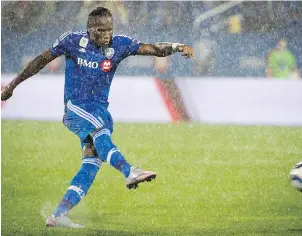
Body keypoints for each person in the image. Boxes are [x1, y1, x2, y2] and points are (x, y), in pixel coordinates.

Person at [1, 7, 194, 228]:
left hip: (100, 109)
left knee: (91, 163)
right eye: (100, 30)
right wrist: (12, 85)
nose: (106, 35)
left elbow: (152, 48)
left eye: (109, 30)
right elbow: (39, 61)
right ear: (89, 29)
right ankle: (129, 170)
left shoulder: (119, 44)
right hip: (75, 109)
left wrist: (178, 46)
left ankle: (58, 214)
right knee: (100, 130)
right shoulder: (72, 41)